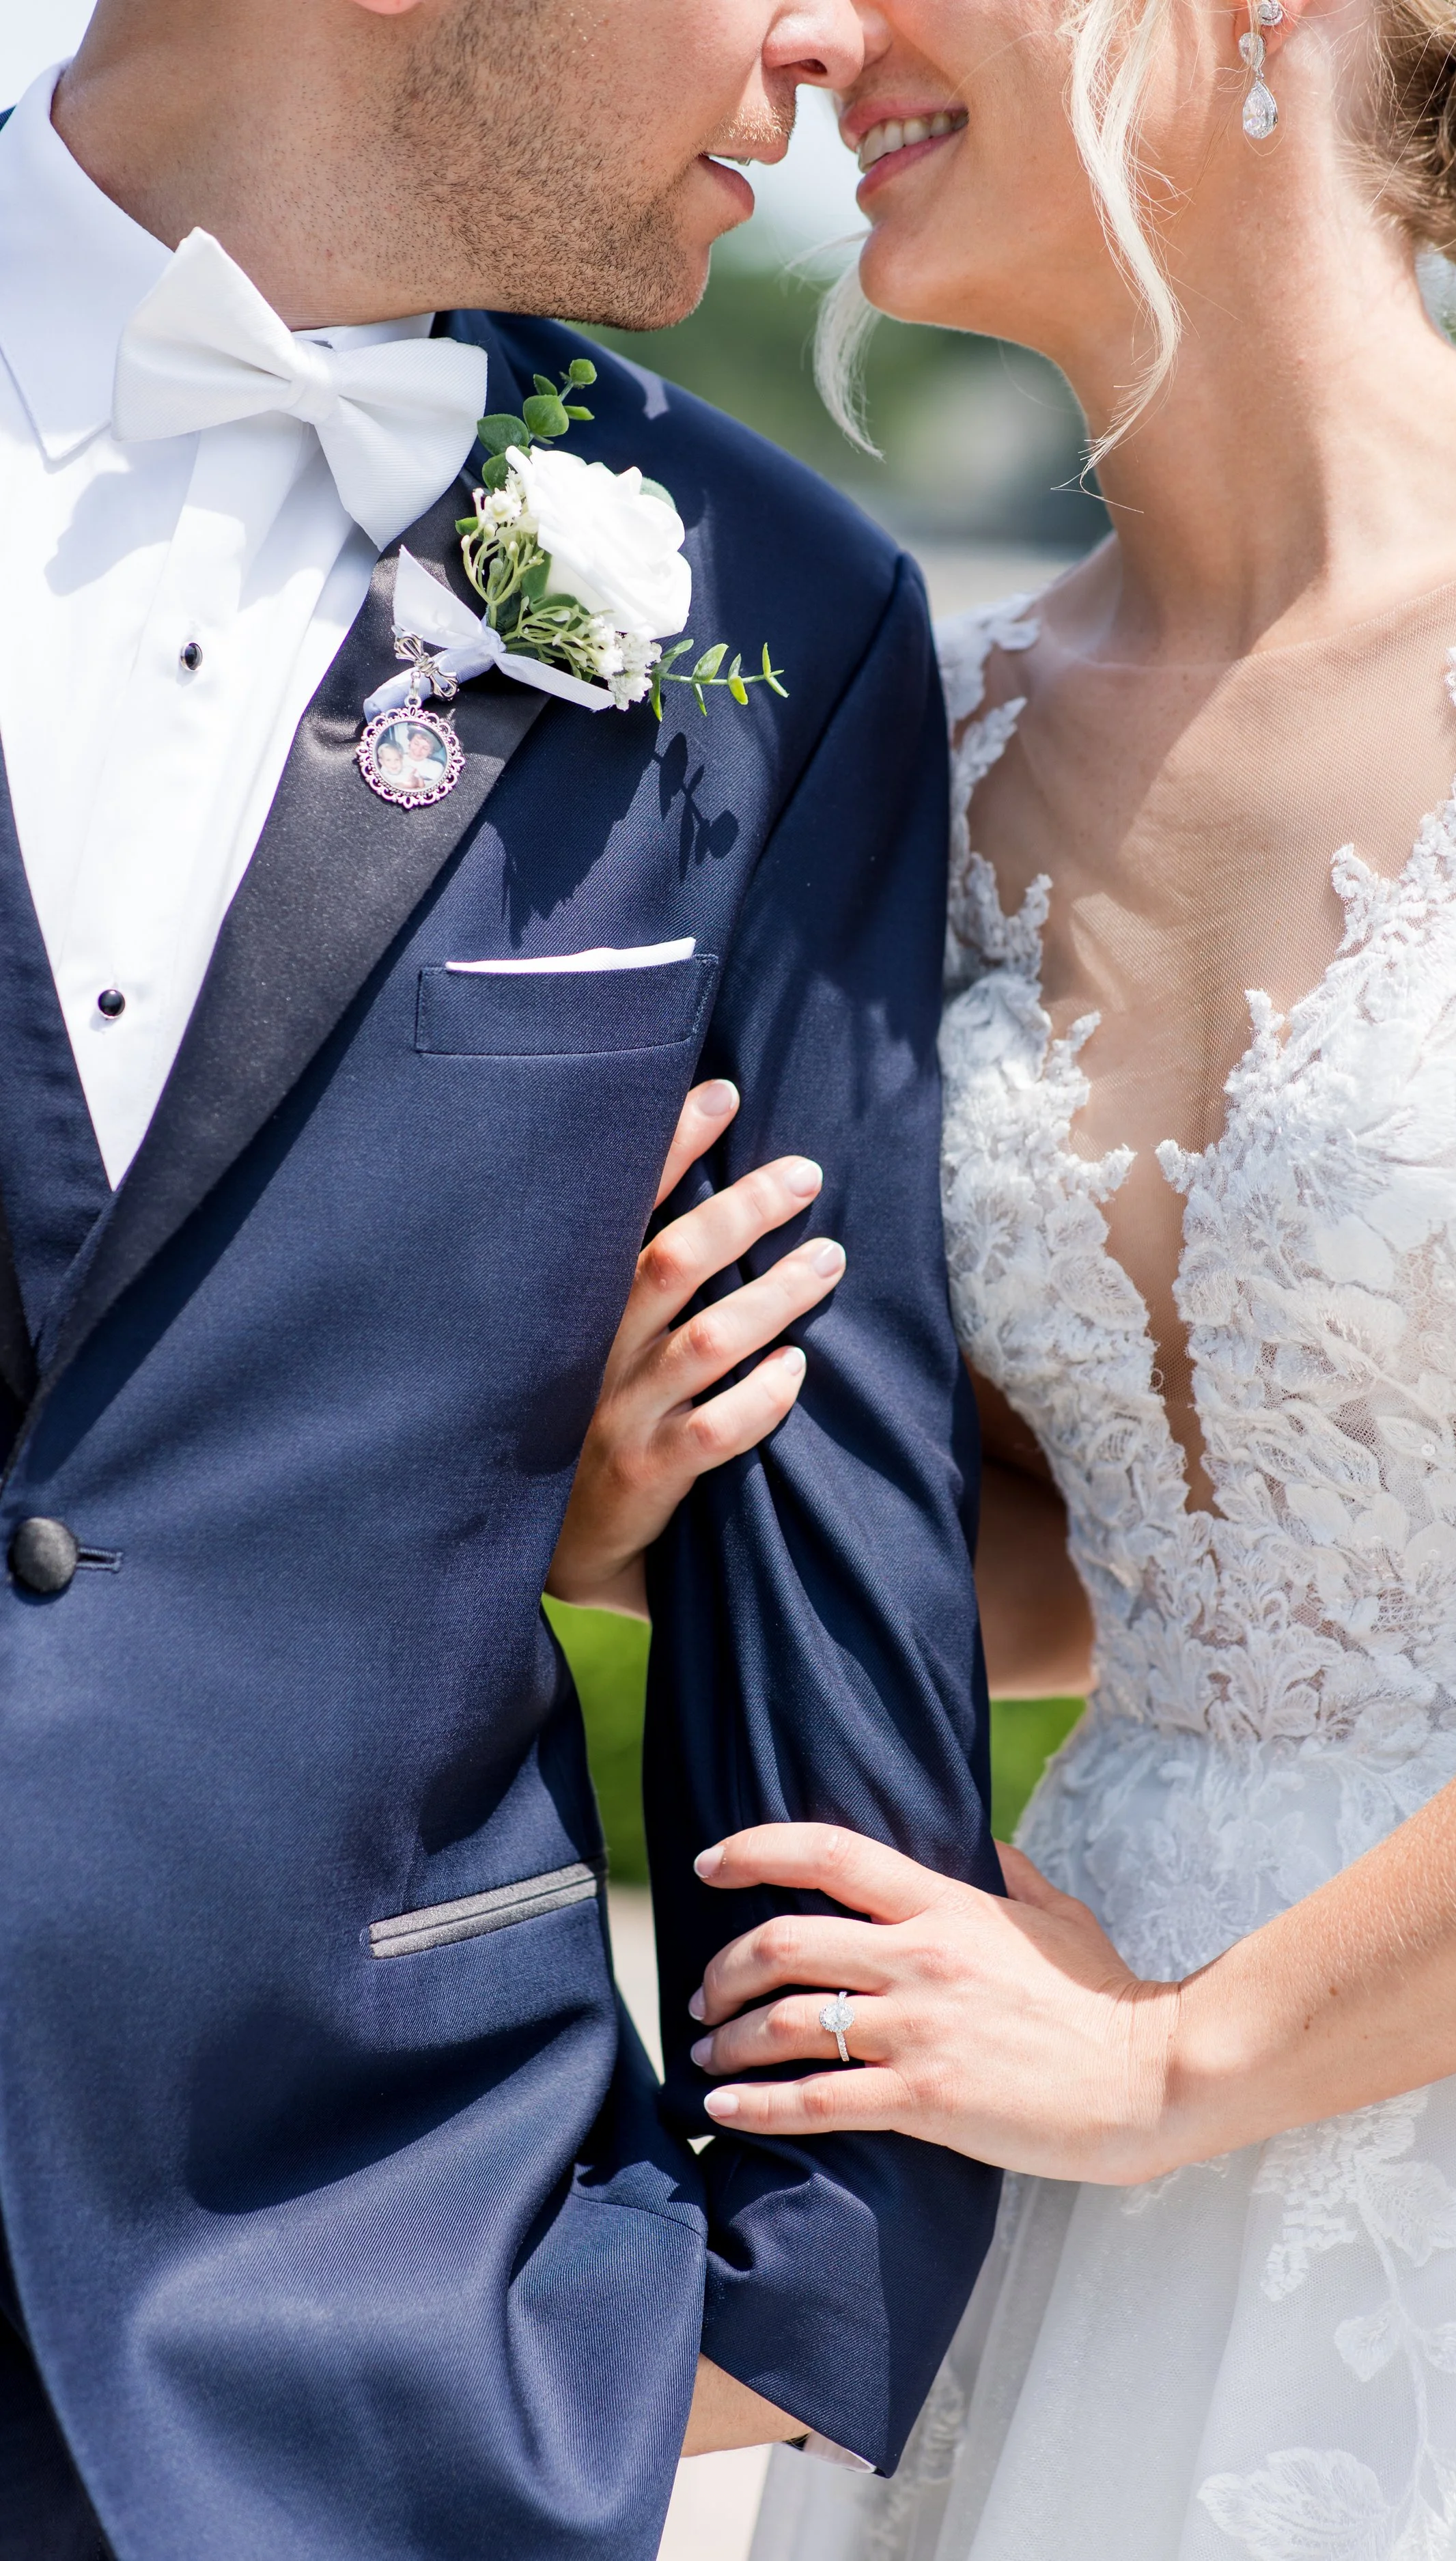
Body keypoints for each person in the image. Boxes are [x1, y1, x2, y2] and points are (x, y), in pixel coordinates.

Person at [551, 0, 1456, 2551]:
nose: (823, 27)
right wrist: (657, 1488)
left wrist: (1195, 2060)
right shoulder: (941, 735)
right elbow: (1117, 1538)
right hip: (1046, 2122)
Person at [0, 1, 1005, 2553]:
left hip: (351, 2339)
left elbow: (831, 1547)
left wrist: (779, 2316)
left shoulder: (776, 610)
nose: (830, 33)